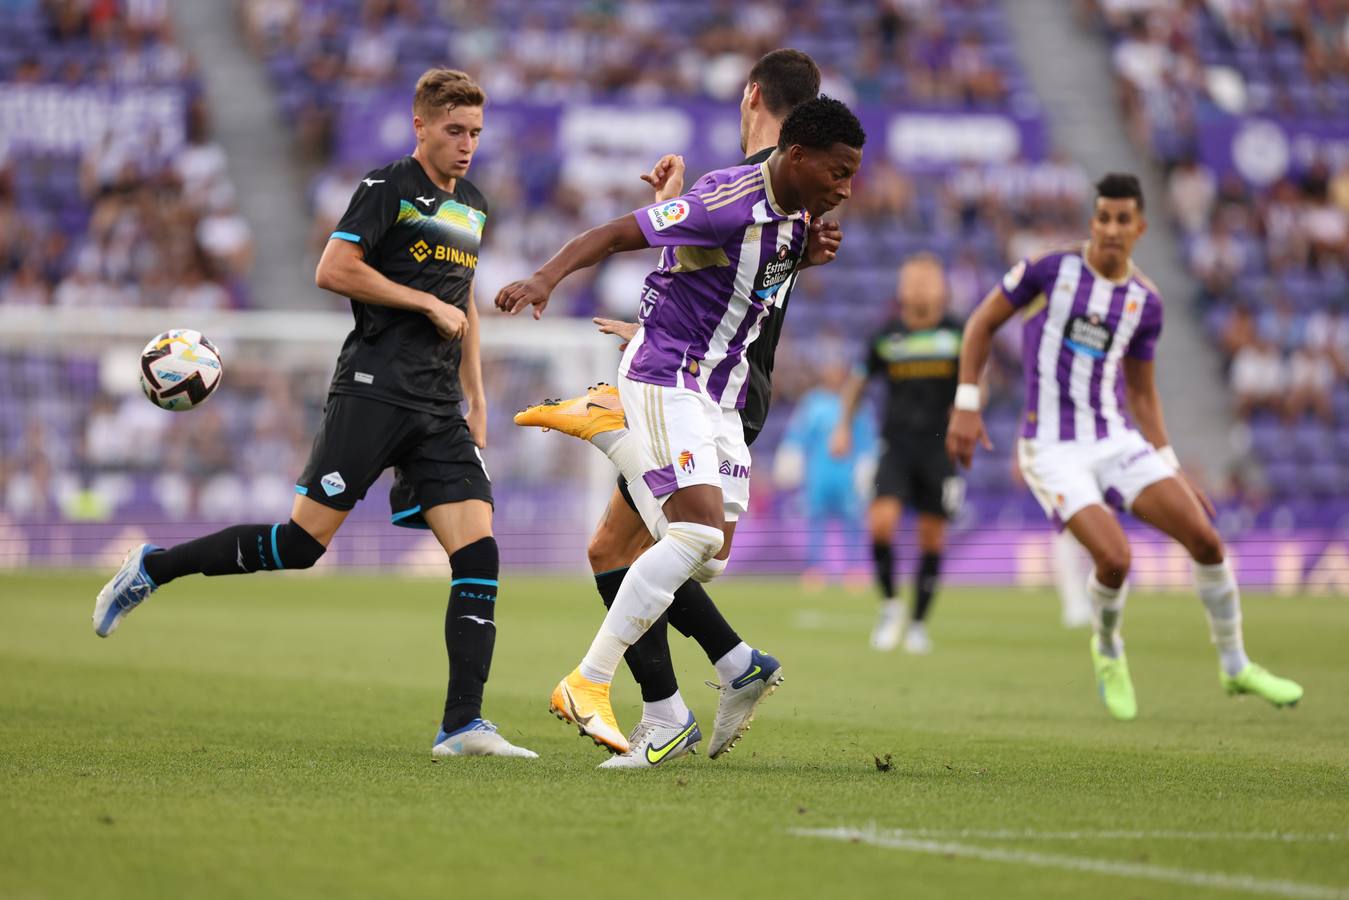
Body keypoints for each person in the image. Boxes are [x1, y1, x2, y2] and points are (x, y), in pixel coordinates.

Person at [92, 69, 536, 758]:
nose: (466, 145)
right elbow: (332, 269)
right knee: (301, 546)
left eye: (475, 132)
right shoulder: (386, 188)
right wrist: (421, 303)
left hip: (436, 406)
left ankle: (462, 724)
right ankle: (154, 565)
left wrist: (477, 399)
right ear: (420, 126)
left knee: (478, 552)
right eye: (454, 131)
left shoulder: (473, 204)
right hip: (371, 389)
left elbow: (465, 302)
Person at [496, 96, 865, 764]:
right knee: (689, 533)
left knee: (709, 559)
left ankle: (614, 432)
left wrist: (803, 260)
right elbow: (613, 235)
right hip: (667, 373)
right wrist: (544, 278)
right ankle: (589, 680)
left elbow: (744, 284)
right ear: (798, 156)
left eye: (852, 174)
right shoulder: (726, 203)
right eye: (838, 172)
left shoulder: (798, 218)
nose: (846, 187)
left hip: (718, 394)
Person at [946, 172, 1303, 720]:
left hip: (1114, 437)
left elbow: (1141, 391)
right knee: (1114, 559)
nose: (1111, 229)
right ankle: (1108, 649)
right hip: (1051, 446)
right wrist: (968, 403)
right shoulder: (1050, 270)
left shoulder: (1145, 303)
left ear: (1140, 227)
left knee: (1208, 541)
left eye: (1122, 220)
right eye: (1103, 218)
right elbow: (980, 325)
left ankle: (1236, 666)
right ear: (1093, 221)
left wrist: (1172, 468)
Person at [831, 254, 964, 654]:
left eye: (928, 280)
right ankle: (890, 606)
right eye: (913, 280)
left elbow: (977, 380)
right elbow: (858, 380)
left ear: (942, 287)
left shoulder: (958, 333)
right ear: (901, 288)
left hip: (940, 449)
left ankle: (919, 623)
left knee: (932, 537)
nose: (920, 287)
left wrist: (970, 416)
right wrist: (843, 426)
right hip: (895, 445)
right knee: (881, 524)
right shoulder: (886, 335)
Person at [775, 355, 877, 584]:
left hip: (847, 473)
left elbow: (867, 440)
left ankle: (855, 569)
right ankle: (815, 569)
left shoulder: (857, 404)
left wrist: (867, 466)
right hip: (818, 472)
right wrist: (791, 457)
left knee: (853, 521)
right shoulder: (813, 403)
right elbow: (798, 434)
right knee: (815, 520)